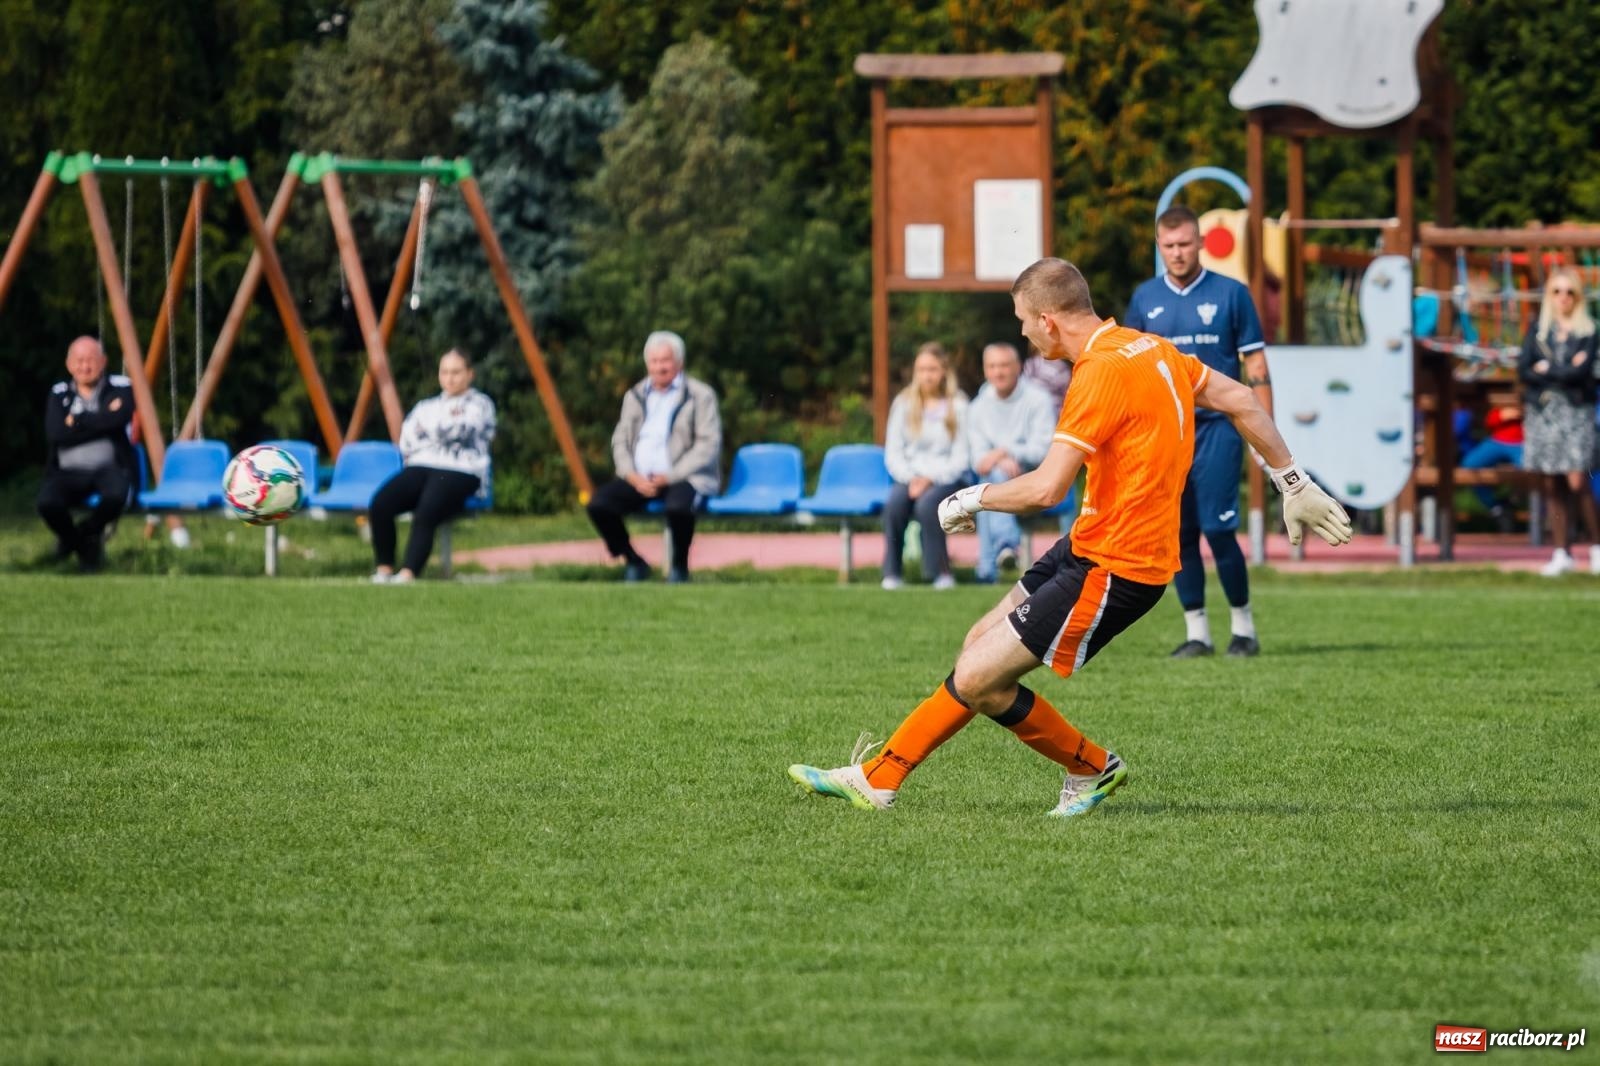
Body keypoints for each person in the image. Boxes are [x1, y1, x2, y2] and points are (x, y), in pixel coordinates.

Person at [788, 257, 1351, 817]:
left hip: (1117, 568)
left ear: (1049, 321)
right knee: (976, 647)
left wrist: (972, 497)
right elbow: (1241, 398)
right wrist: (1291, 479)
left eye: (1023, 320)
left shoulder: (1099, 373)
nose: (1024, 333)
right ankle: (886, 777)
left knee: (979, 676)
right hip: (1089, 546)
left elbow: (1046, 488)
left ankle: (1074, 767)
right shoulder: (1148, 347)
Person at [1126, 204, 1272, 659]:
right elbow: (1129, 372)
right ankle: (1198, 635)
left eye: (1185, 243)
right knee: (1179, 533)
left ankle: (1244, 630)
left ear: (1201, 243)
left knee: (1217, 527)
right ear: (1158, 246)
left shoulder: (1232, 294)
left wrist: (1266, 440)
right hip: (1166, 436)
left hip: (1218, 430)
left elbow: (1258, 368)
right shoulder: (1144, 299)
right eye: (1168, 245)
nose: (1177, 252)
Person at [585, 330, 721, 583]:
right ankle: (633, 561)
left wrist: (670, 476)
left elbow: (708, 445)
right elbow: (620, 441)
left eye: (665, 361)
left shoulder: (700, 395)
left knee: (679, 507)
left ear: (679, 363)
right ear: (647, 363)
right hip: (640, 478)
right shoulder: (634, 395)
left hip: (684, 476)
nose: (660, 368)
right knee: (599, 504)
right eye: (655, 361)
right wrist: (631, 475)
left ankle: (679, 568)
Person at [369, 349, 496, 584]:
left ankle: (408, 574)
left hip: (462, 470)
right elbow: (408, 437)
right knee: (381, 503)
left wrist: (431, 431)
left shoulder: (481, 404)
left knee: (427, 509)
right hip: (422, 465)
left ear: (470, 374)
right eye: (445, 371)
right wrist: (442, 429)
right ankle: (384, 570)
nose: (450, 378)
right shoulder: (426, 406)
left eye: (456, 372)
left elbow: (464, 429)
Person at [1518, 268, 1599, 576]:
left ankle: (1596, 546)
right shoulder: (1537, 330)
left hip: (1576, 415)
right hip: (1544, 414)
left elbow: (1581, 374)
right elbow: (1524, 371)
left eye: (1569, 292)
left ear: (1577, 297)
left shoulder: (1589, 331)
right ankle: (1562, 551)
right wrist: (1564, 369)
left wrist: (1547, 368)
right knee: (1552, 483)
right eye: (1557, 291)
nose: (1563, 298)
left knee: (1578, 481)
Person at [38, 336, 139, 572]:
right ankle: (83, 545)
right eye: (79, 360)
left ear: (103, 361)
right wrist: (102, 422)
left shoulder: (120, 388)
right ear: (69, 364)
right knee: (46, 503)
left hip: (108, 468)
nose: (85, 366)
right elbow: (56, 434)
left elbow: (119, 418)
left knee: (117, 496)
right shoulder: (59, 393)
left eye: (91, 360)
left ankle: (81, 536)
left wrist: (78, 421)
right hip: (67, 472)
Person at [882, 342, 971, 590]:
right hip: (910, 478)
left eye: (932, 369)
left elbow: (961, 457)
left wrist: (930, 479)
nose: (926, 375)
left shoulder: (959, 405)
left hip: (948, 479)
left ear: (943, 371)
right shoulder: (903, 404)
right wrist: (912, 478)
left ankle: (940, 572)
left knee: (928, 504)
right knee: (894, 504)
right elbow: (893, 453)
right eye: (921, 369)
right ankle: (892, 573)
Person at [967, 342, 1056, 582]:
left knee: (987, 485)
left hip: (1034, 475)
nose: (999, 372)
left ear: (1018, 367)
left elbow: (1043, 450)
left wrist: (1005, 452)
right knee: (991, 477)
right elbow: (978, 460)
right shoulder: (978, 407)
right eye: (992, 366)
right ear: (985, 370)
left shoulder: (1039, 400)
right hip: (994, 475)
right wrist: (998, 460)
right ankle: (1003, 549)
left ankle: (988, 568)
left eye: (1005, 365)